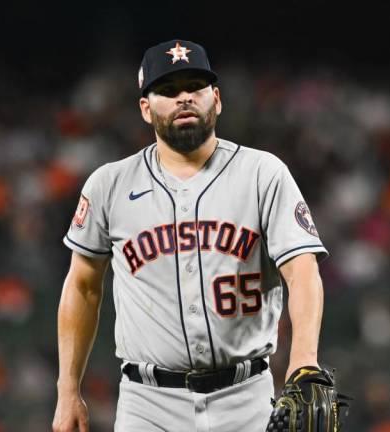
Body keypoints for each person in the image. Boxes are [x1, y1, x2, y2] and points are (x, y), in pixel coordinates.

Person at [52, 39, 329, 432]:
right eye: (167, 90)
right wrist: (67, 391)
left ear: (216, 99)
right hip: (147, 404)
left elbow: (302, 273)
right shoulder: (109, 185)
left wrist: (304, 360)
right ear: (146, 109)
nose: (184, 98)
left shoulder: (263, 174)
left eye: (194, 88)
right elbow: (82, 286)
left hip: (246, 397)